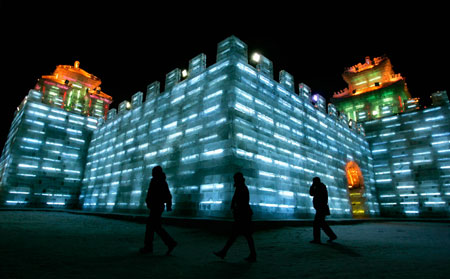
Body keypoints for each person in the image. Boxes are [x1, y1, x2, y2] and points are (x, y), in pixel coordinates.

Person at [214, 172, 257, 262]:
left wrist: (236, 210)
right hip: (244, 215)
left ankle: (224, 252)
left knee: (239, 235)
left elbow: (241, 202)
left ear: (238, 179)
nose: (234, 180)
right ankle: (252, 254)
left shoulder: (241, 188)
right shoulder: (240, 187)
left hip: (243, 215)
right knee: (244, 235)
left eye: (235, 179)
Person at [140, 166, 177, 255]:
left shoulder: (158, 181)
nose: (152, 173)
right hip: (157, 206)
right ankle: (168, 243)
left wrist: (168, 205)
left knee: (152, 227)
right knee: (155, 227)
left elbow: (165, 194)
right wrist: (168, 205)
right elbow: (167, 195)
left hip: (156, 206)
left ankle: (150, 246)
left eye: (153, 172)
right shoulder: (159, 181)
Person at [309, 177, 337, 244]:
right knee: (322, 223)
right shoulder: (318, 186)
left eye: (314, 181)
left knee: (316, 224)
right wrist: (312, 186)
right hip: (320, 208)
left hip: (321, 208)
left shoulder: (321, 187)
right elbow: (311, 194)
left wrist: (313, 186)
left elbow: (315, 195)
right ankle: (332, 236)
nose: (313, 182)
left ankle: (317, 239)